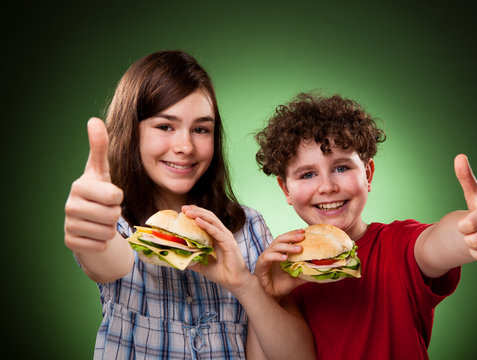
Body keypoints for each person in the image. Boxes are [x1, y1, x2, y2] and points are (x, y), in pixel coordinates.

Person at [64, 50, 314, 360]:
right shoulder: (116, 223)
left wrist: (243, 284)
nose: (185, 147)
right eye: (165, 126)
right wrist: (93, 231)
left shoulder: (249, 227)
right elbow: (107, 260)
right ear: (132, 132)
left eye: (201, 129)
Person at [253, 92, 477, 359]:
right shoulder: (285, 271)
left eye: (341, 168)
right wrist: (266, 298)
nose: (327, 187)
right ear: (285, 188)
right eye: (308, 174)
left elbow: (442, 240)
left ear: (368, 173)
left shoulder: (397, 245)